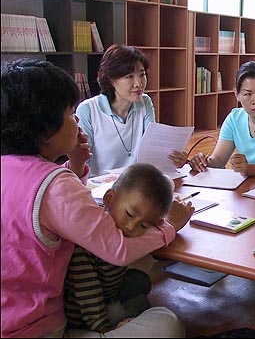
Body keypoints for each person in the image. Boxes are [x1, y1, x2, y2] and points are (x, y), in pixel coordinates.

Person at [1, 58, 194, 338]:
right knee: (168, 321)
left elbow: (48, 211)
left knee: (135, 285)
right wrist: (169, 226)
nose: (76, 120)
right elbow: (117, 249)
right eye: (69, 114)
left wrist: (76, 168)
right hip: (36, 328)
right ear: (45, 129)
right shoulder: (55, 185)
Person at [64, 162, 179, 333]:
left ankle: (125, 314)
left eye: (144, 225)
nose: (131, 227)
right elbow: (88, 294)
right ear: (109, 199)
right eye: (130, 215)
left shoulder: (124, 234)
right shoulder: (88, 242)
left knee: (140, 280)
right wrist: (105, 328)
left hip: (109, 294)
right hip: (81, 316)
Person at [76, 44, 182, 177]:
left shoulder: (145, 102)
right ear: (110, 79)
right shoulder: (88, 110)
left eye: (142, 75)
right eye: (129, 76)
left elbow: (152, 150)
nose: (138, 83)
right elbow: (82, 160)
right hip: (99, 188)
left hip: (138, 184)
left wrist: (172, 158)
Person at [180, 61, 255, 177]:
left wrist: (248, 169)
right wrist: (200, 162)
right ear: (237, 95)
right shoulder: (234, 119)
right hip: (247, 186)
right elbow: (219, 160)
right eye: (248, 94)